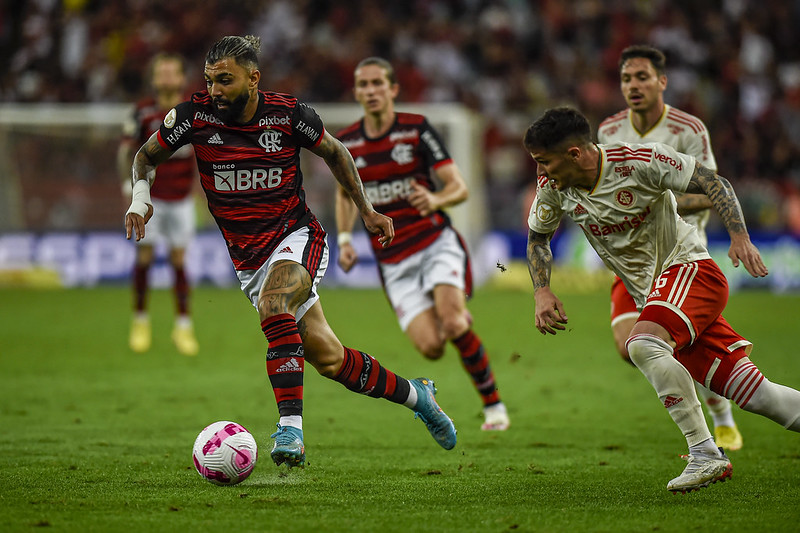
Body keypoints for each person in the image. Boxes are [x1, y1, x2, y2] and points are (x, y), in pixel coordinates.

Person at [124, 35, 457, 468]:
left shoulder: (287, 114)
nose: (215, 91)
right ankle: (419, 396)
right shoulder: (192, 117)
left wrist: (367, 211)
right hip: (249, 260)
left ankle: (291, 431)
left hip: (296, 236)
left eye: (225, 80)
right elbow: (145, 157)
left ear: (253, 78)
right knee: (332, 361)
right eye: (209, 81)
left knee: (274, 303)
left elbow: (336, 153)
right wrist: (139, 197)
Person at [523, 106, 800, 493]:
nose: (541, 171)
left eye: (544, 161)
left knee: (642, 343)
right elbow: (538, 237)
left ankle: (705, 454)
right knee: (755, 395)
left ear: (574, 154)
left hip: (690, 270)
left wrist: (739, 236)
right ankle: (711, 449)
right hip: (655, 293)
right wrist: (542, 290)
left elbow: (714, 182)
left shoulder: (641, 161)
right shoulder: (554, 188)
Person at [335, 57, 510, 431]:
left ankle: (494, 406)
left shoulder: (416, 130)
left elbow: (458, 187)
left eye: (378, 83)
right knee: (431, 347)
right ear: (356, 92)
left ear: (393, 89)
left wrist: (435, 200)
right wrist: (346, 239)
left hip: (435, 243)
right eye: (363, 85)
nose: (371, 91)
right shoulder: (347, 142)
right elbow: (344, 194)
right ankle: (453, 320)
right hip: (393, 261)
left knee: (453, 323)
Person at [597, 45, 742, 450]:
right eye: (626, 79)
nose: (633, 86)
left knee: (664, 341)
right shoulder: (608, 131)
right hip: (631, 257)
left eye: (642, 77)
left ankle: (715, 423)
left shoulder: (688, 129)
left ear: (662, 81)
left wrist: (657, 195)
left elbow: (711, 189)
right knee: (631, 347)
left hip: (679, 254)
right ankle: (710, 421)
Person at [119, 52, 199, 356]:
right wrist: (128, 191)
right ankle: (140, 320)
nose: (166, 78)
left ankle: (183, 326)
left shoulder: (194, 111)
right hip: (151, 199)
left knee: (179, 261)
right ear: (154, 79)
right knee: (144, 259)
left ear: (180, 78)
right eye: (161, 73)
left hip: (181, 200)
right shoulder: (142, 113)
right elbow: (126, 153)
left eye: (171, 72)